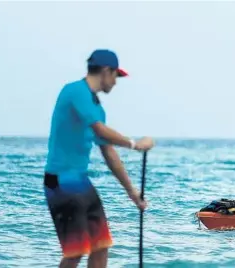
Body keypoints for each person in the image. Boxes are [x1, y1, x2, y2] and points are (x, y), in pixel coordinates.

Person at [43, 49, 155, 268]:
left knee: (101, 246)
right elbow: (100, 130)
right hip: (60, 181)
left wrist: (133, 193)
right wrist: (134, 144)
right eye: (116, 76)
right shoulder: (75, 92)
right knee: (75, 251)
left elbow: (109, 152)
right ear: (106, 71)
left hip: (80, 181)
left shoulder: (96, 107)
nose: (115, 82)